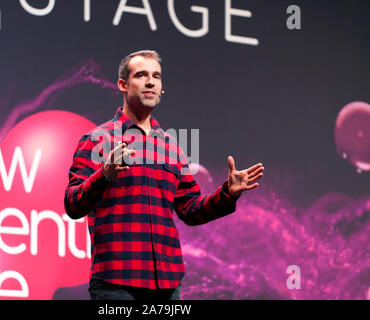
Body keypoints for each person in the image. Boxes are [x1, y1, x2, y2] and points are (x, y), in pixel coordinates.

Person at [64, 50, 264, 300]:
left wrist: (227, 194)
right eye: (141, 75)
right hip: (116, 283)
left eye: (156, 76)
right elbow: (72, 204)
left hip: (168, 284)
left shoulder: (172, 147)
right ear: (123, 85)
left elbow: (190, 210)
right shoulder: (96, 140)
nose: (150, 81)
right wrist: (104, 174)